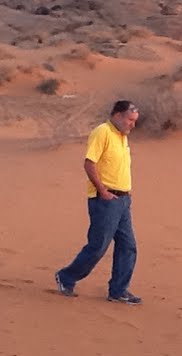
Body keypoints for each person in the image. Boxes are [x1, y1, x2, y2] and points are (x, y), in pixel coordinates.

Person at [54, 100, 141, 304]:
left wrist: (127, 193)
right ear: (117, 115)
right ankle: (66, 276)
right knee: (98, 246)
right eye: (130, 120)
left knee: (128, 246)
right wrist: (102, 191)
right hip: (105, 200)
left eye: (135, 121)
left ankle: (118, 290)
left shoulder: (122, 136)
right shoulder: (102, 132)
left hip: (122, 201)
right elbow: (89, 163)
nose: (132, 124)